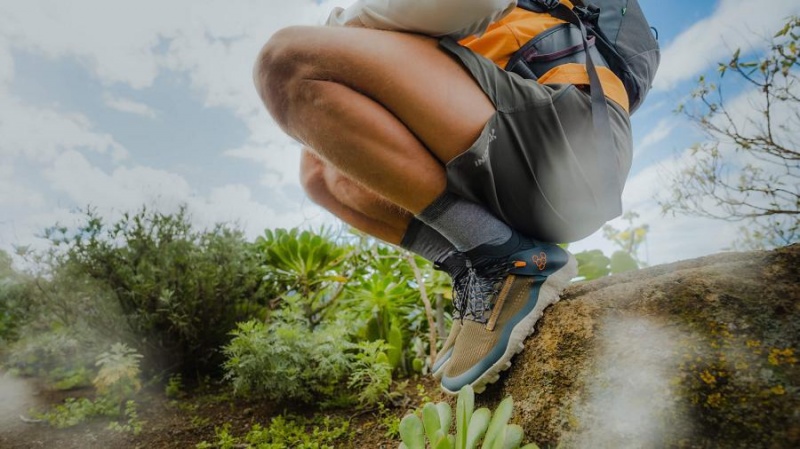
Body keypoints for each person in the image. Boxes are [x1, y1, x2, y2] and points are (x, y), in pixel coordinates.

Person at [253, 0, 633, 394]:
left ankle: (502, 258)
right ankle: (480, 258)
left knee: (285, 60)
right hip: (511, 157)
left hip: (570, 142)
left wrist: (344, 23)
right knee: (321, 174)